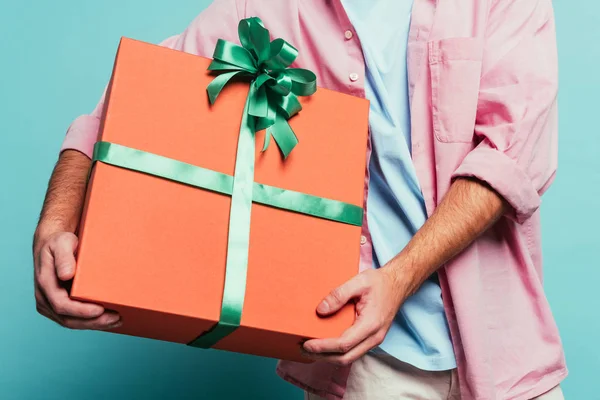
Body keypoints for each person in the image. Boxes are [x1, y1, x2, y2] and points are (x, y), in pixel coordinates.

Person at [33, 0, 566, 399]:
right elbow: (119, 109)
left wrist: (400, 276)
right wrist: (57, 224)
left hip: (504, 345)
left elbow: (509, 156)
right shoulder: (264, 7)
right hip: (365, 359)